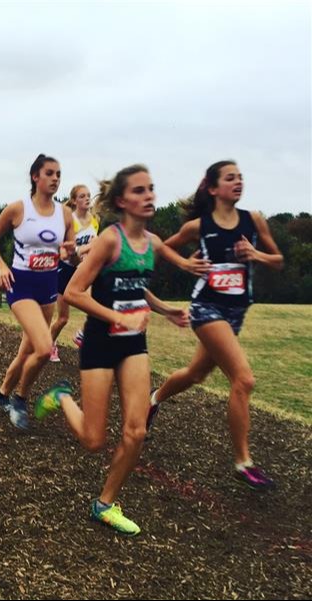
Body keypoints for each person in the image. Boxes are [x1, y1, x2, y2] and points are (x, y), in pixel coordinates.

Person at [34, 164, 209, 535]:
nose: (149, 196)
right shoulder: (109, 240)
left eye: (151, 189)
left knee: (136, 431)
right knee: (93, 440)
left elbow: (135, 285)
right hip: (100, 343)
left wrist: (164, 309)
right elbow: (74, 292)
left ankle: (105, 503)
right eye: (140, 191)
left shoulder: (153, 242)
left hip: (134, 345)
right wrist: (118, 316)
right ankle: (62, 396)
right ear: (121, 201)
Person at [146, 160, 284, 490]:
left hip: (236, 312)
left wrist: (256, 254)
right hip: (207, 308)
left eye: (241, 178)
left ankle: (153, 400)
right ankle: (243, 463)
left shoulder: (254, 221)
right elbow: (164, 246)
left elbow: (277, 260)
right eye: (230, 178)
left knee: (196, 374)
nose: (238, 182)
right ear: (213, 187)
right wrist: (184, 263)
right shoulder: (200, 226)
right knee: (243, 379)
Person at [0, 154, 75, 430]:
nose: (56, 179)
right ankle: (20, 400)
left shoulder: (65, 214)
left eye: (59, 174)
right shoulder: (18, 209)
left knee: (27, 351)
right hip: (20, 284)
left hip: (48, 284)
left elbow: (70, 256)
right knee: (45, 348)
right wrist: (0, 266)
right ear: (36, 176)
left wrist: (71, 253)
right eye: (50, 173)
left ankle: (2, 395)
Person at [49, 184, 99, 362]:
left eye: (88, 195)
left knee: (97, 306)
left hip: (83, 270)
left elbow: (94, 247)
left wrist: (92, 254)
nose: (87, 199)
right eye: (82, 196)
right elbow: (65, 250)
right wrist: (86, 248)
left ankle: (82, 335)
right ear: (75, 200)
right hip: (66, 269)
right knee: (63, 318)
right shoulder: (70, 220)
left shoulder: (94, 220)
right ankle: (50, 344)